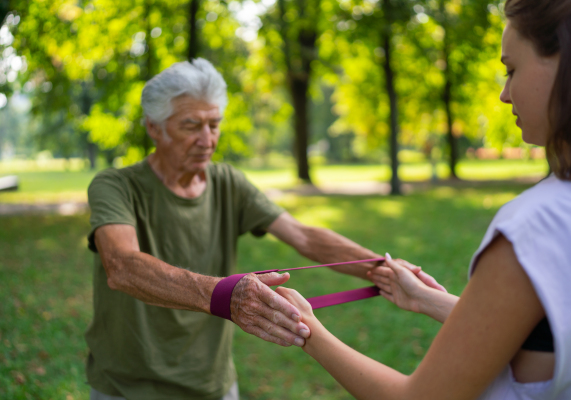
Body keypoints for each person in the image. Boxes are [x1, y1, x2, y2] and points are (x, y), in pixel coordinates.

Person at [276, 0, 571, 399]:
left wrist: (305, 328)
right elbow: (547, 332)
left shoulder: (535, 226)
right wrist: (432, 301)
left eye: (511, 69)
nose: (503, 94)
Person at [85, 58, 443, 400]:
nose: (207, 139)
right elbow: (122, 267)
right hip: (128, 387)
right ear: (154, 127)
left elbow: (302, 235)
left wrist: (381, 269)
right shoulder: (115, 186)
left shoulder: (227, 182)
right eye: (191, 126)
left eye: (214, 124)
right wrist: (227, 295)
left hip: (211, 383)